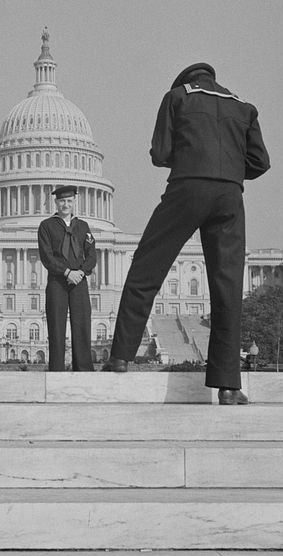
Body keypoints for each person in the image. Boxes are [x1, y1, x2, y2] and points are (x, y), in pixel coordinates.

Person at [103, 62, 270, 404]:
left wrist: (192, 161)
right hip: (230, 195)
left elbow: (161, 153)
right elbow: (260, 162)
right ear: (213, 80)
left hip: (187, 187)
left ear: (187, 80)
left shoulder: (177, 98)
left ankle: (120, 356)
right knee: (227, 287)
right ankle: (228, 386)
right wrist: (227, 168)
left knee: (147, 268)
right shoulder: (244, 106)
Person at [37, 184, 97, 372]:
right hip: (57, 281)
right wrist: (66, 272)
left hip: (79, 281)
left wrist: (81, 272)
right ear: (56, 202)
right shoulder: (46, 226)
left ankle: (84, 368)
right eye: (62, 201)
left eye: (69, 201)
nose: (66, 204)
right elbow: (47, 256)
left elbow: (91, 254)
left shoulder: (83, 226)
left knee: (82, 323)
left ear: (74, 202)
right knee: (56, 325)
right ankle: (56, 369)